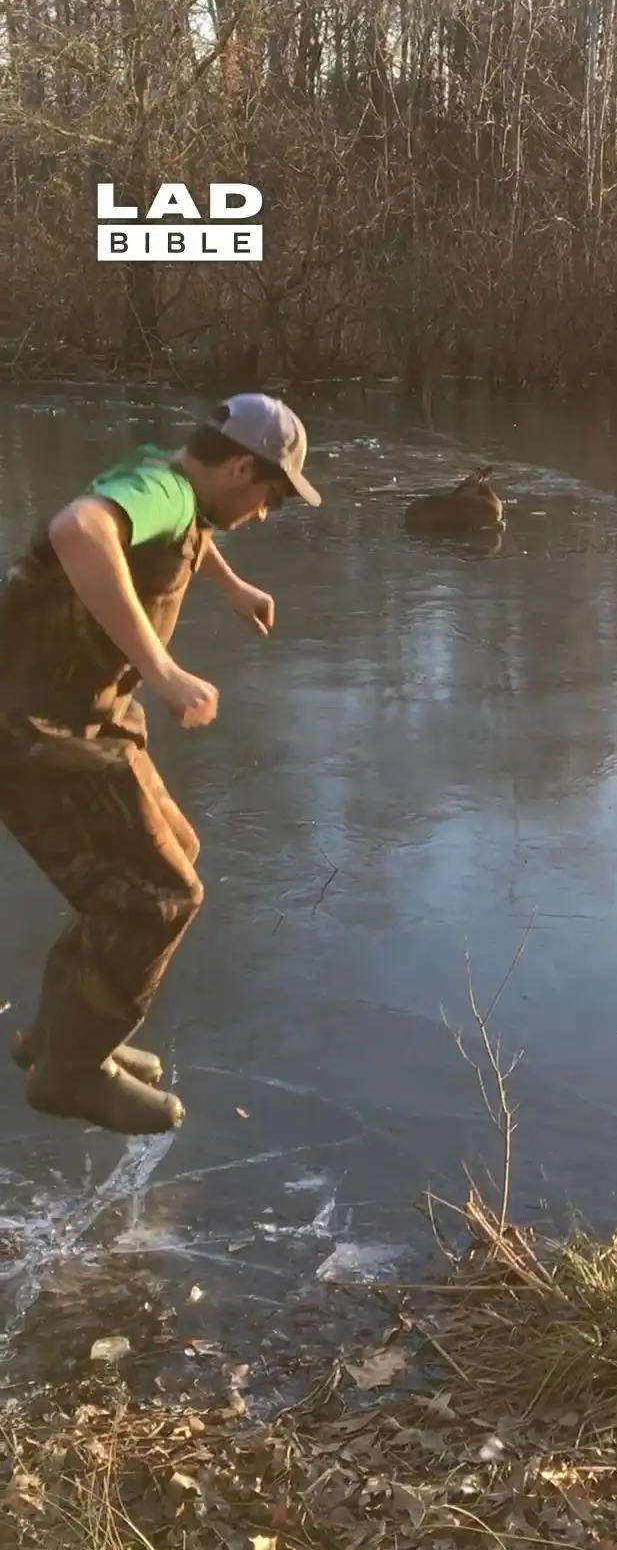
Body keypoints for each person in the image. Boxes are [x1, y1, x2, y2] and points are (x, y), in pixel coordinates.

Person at [0, 393, 321, 1138]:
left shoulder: (167, 479)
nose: (264, 513)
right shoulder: (166, 494)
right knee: (160, 896)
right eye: (269, 495)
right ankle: (71, 1070)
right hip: (39, 726)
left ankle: (62, 1033)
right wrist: (163, 669)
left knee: (175, 850)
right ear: (239, 468)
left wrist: (230, 586)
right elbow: (80, 529)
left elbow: (183, 528)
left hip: (78, 714)